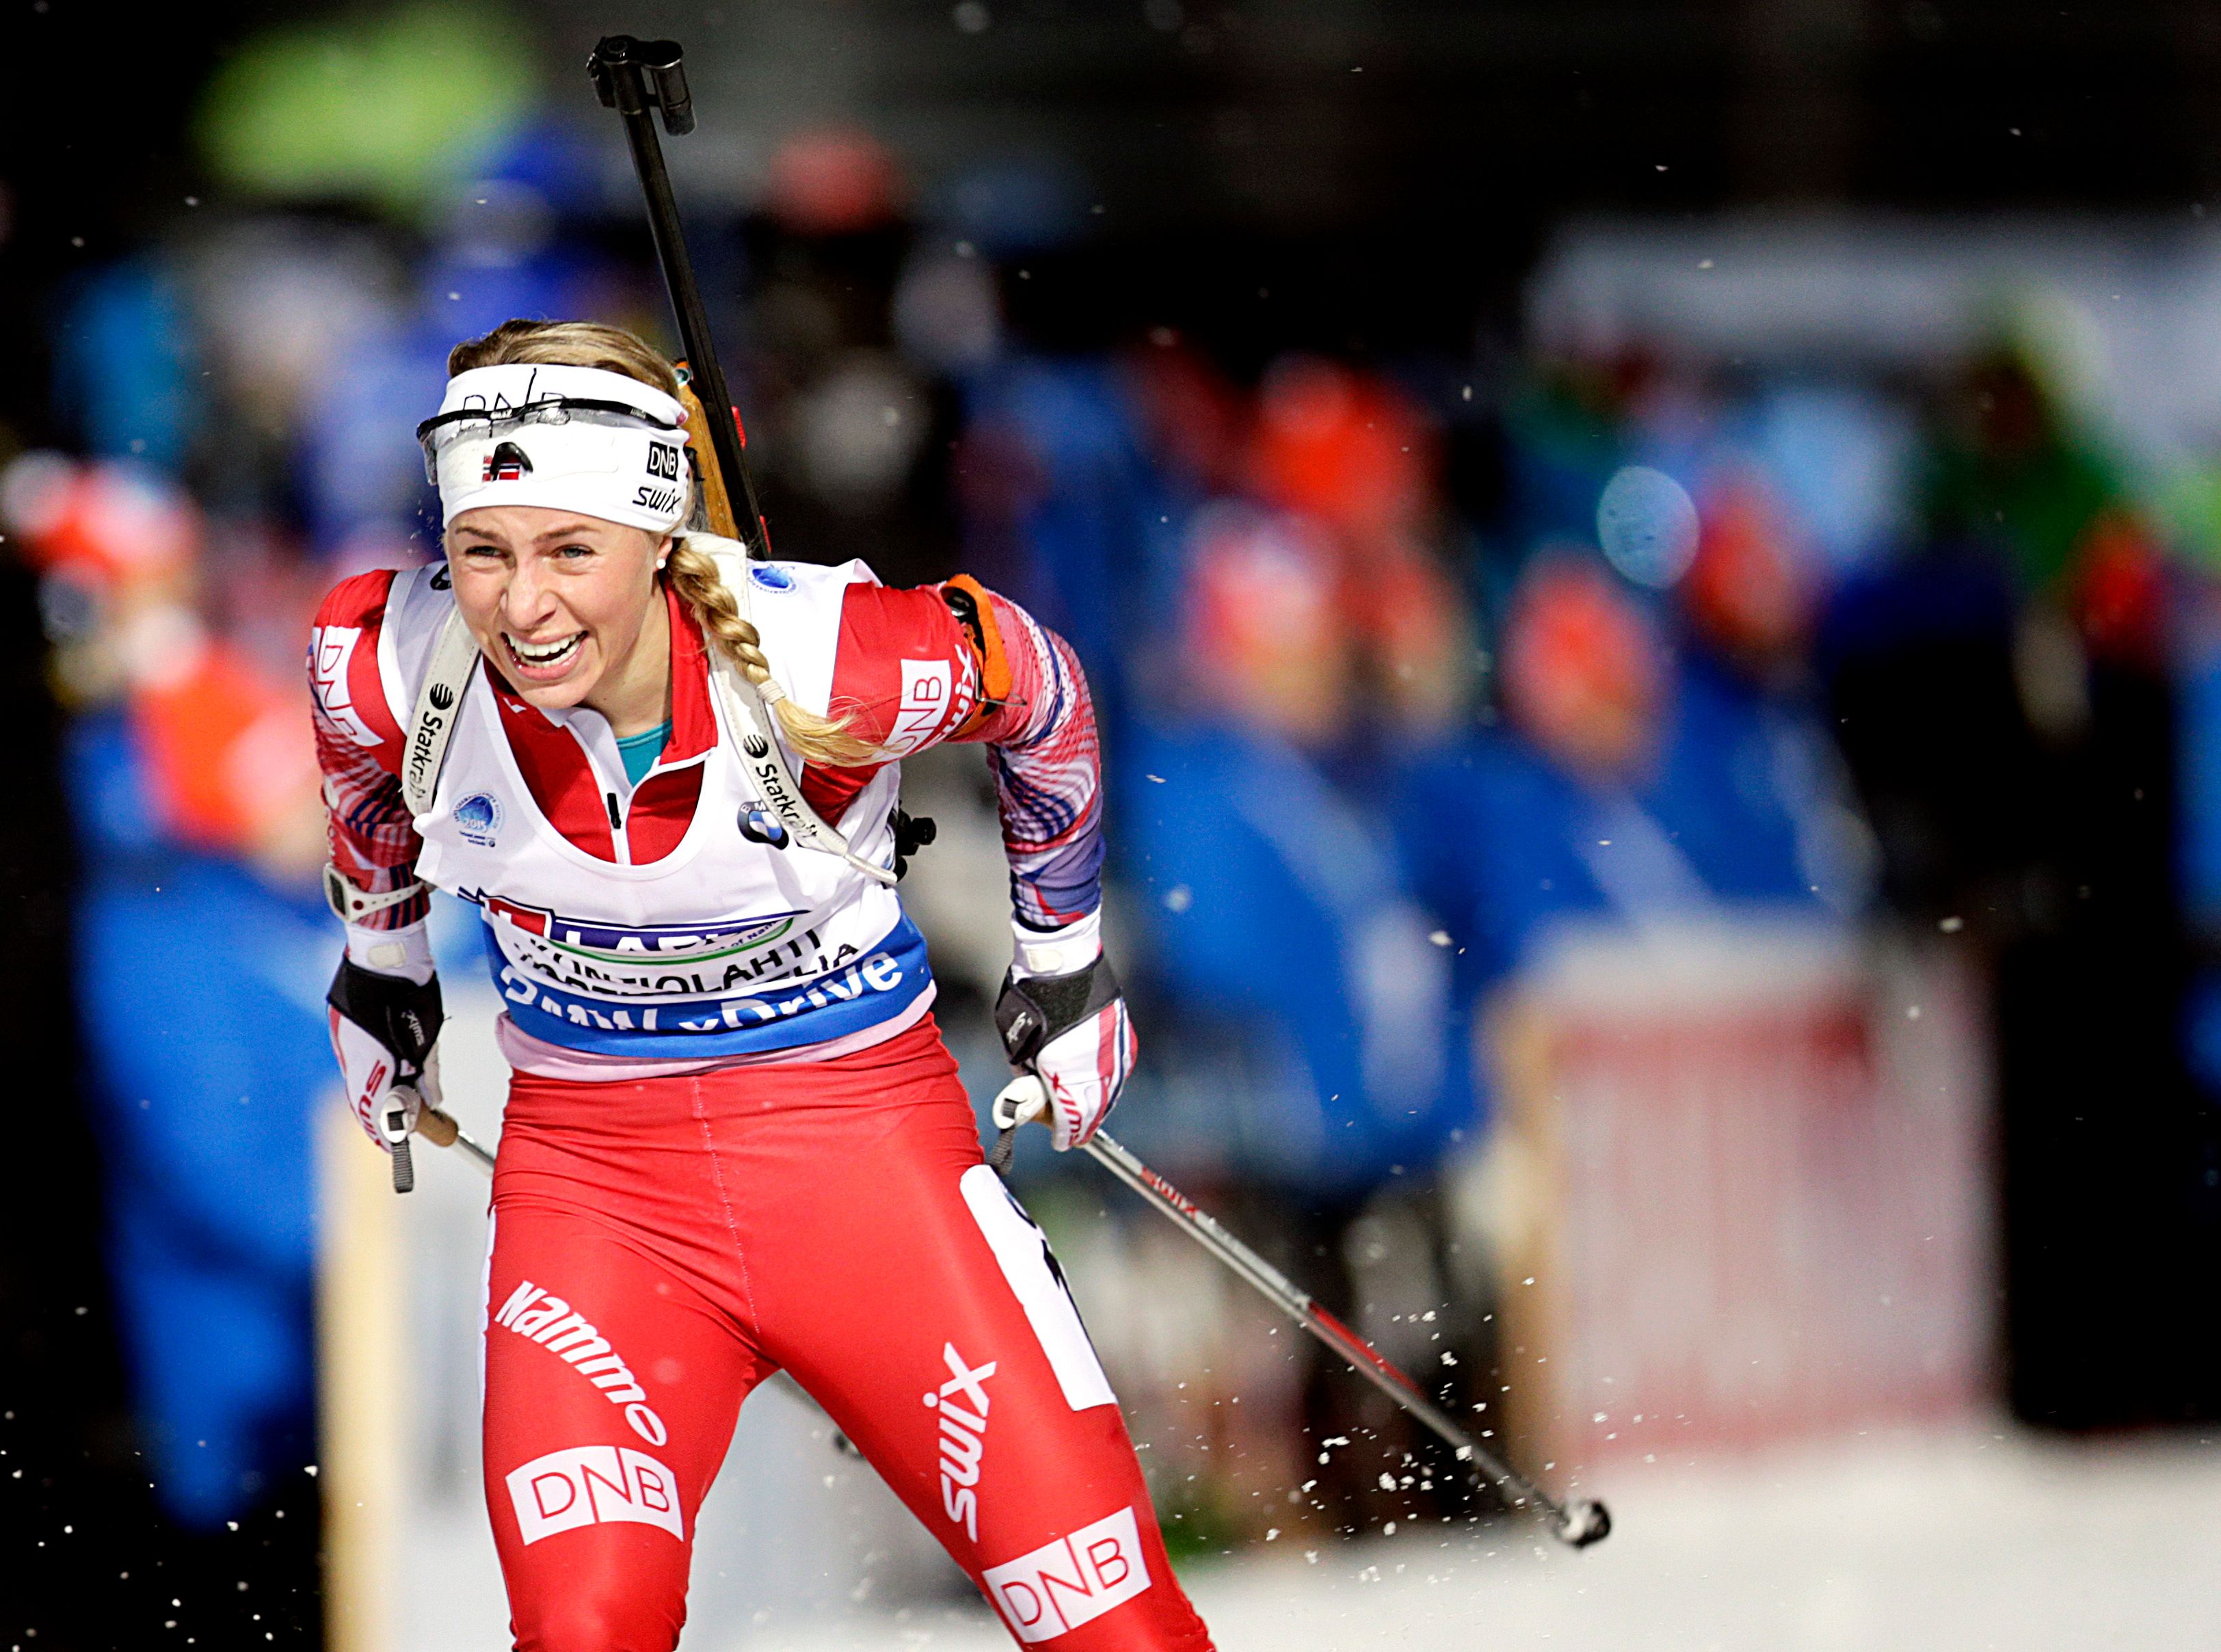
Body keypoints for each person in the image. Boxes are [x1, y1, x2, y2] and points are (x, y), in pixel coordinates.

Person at [308, 318, 1211, 1652]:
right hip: (599, 1203)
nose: (523, 605)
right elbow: (360, 782)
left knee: (1110, 1627)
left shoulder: (823, 658)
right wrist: (383, 964)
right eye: (483, 551)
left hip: (863, 1174)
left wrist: (1064, 959)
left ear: (658, 535)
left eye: (571, 552)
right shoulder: (384, 656)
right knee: (583, 1629)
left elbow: (1039, 686)